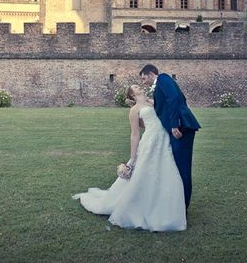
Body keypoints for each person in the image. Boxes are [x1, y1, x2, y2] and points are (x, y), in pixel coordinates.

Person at [72, 85, 186, 231]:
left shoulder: (152, 102)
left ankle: (165, 207)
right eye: (135, 87)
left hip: (163, 139)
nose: (139, 86)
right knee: (144, 172)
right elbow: (135, 134)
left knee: (166, 171)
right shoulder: (134, 110)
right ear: (132, 95)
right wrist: (132, 158)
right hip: (150, 142)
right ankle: (139, 205)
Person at [140, 64, 200, 209]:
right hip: (178, 127)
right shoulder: (160, 84)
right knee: (177, 167)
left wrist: (175, 124)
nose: (143, 82)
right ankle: (178, 204)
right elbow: (172, 102)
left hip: (180, 129)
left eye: (143, 78)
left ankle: (183, 207)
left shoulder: (163, 78)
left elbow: (174, 99)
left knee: (182, 168)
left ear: (150, 74)